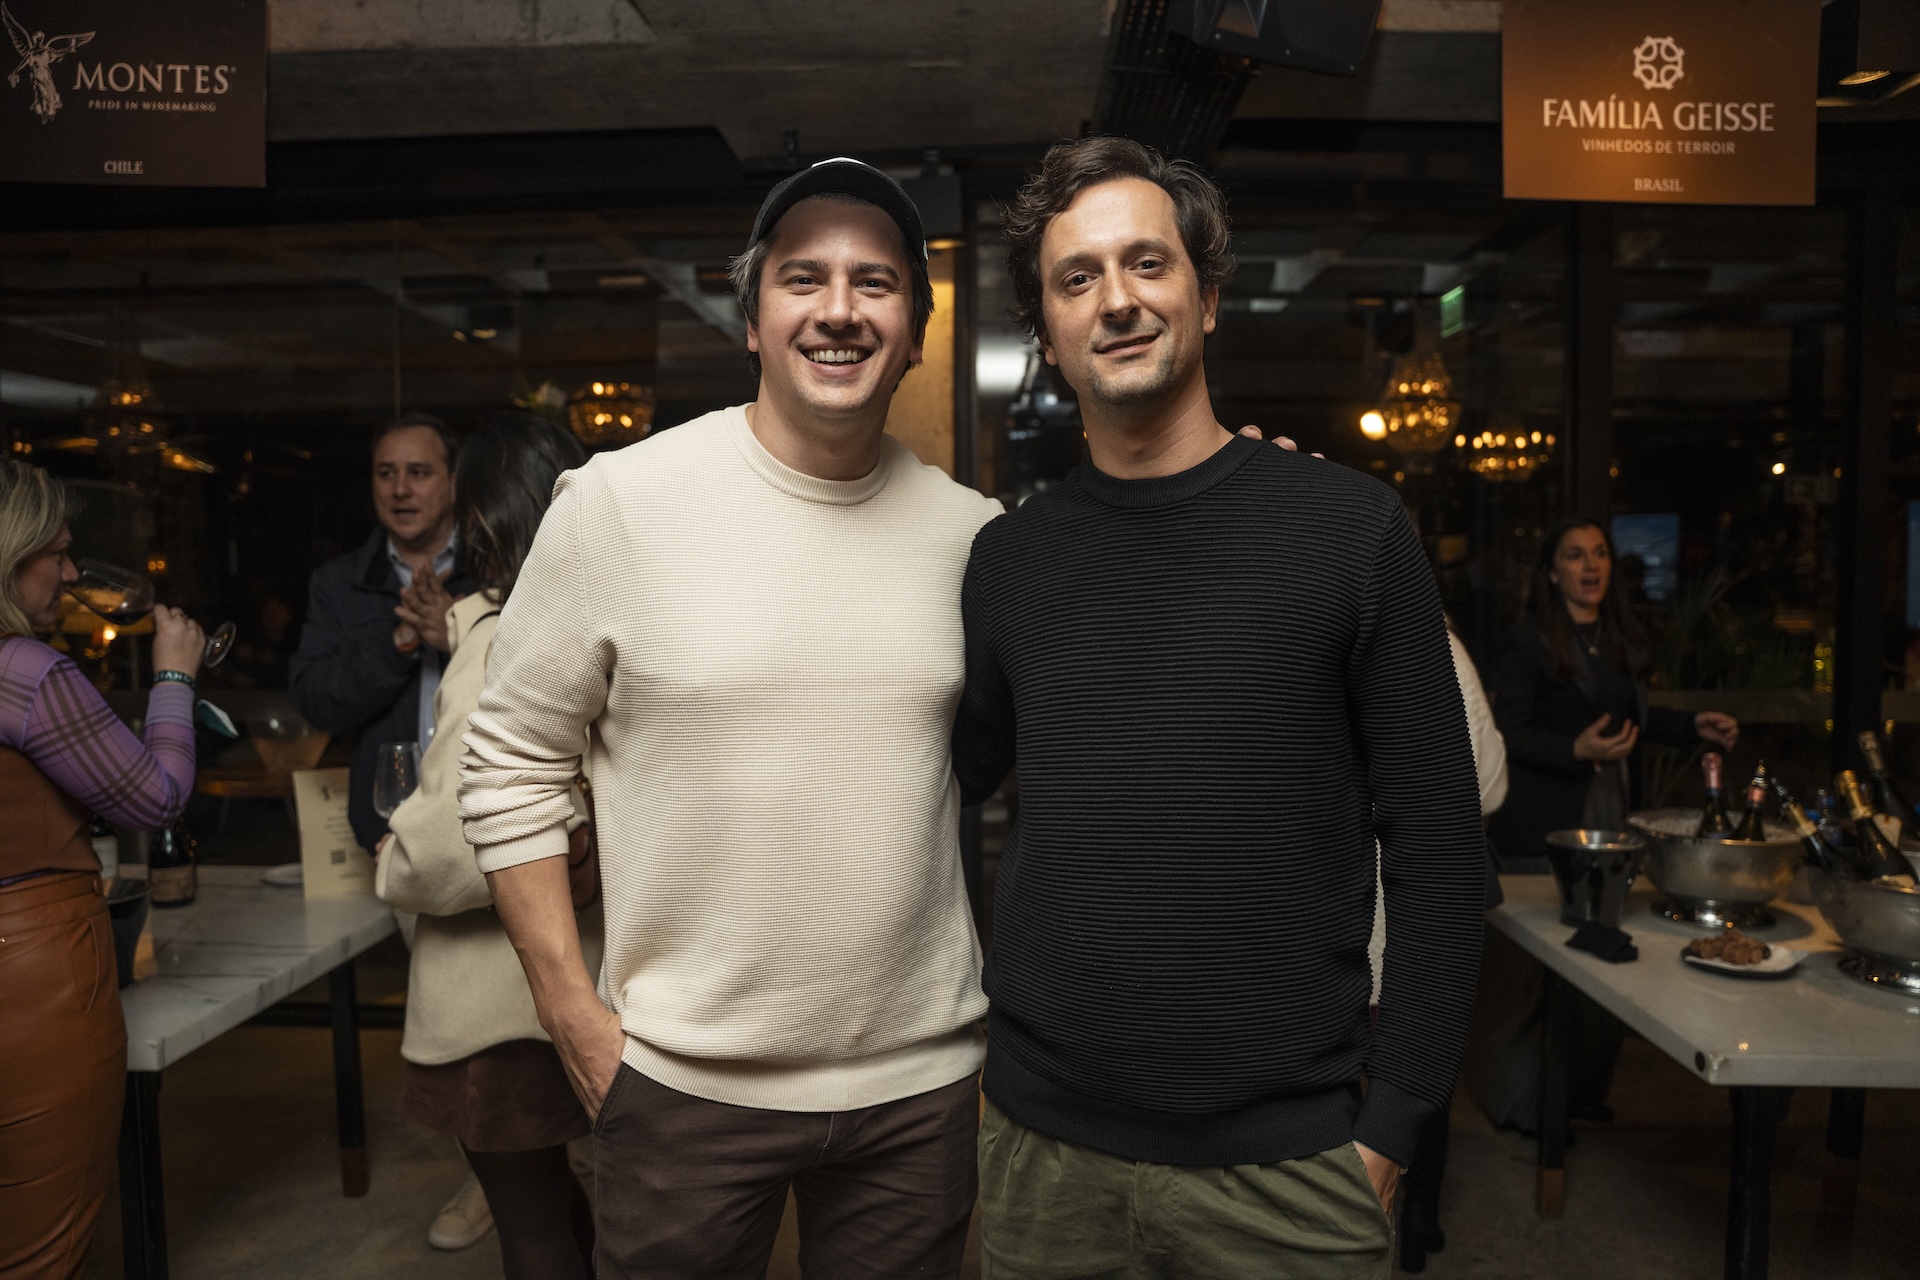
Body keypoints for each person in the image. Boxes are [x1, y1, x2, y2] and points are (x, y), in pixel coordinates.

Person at [949, 136, 1487, 1279]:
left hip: (1293, 1169)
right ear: (1047, 334)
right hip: (1045, 1158)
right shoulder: (1009, 562)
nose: (1117, 298)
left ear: (1206, 297)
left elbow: (1440, 850)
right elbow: (949, 780)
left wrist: (1396, 1120)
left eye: (1147, 262)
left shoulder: (1350, 532)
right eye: (1078, 277)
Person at [458, 159, 1000, 1280]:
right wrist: (570, 1012)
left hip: (918, 1091)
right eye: (804, 279)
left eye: (875, 283)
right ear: (752, 320)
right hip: (684, 1087)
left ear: (913, 331)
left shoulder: (973, 537)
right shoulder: (621, 502)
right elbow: (510, 761)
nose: (840, 309)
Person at [376, 413, 601, 1280]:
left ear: (480, 521)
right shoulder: (601, 623)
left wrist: (392, 862)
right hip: (584, 981)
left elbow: (451, 846)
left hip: (498, 1005)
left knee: (531, 1231)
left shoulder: (499, 645)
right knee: (564, 1211)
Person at [287, 411, 487, 1248]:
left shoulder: (497, 561)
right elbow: (318, 700)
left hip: (498, 820)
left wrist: (461, 630)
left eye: (419, 471)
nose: (401, 489)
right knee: (452, 1019)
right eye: (385, 473)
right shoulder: (343, 584)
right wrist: (402, 642)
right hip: (403, 835)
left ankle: (553, 1161)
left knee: (521, 1011)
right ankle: (493, 1176)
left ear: (453, 481)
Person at [0, 460, 203, 1279]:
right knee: (39, 1250)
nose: (70, 573)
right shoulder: (23, 672)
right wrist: (174, 674)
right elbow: (155, 800)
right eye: (56, 552)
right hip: (30, 981)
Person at [1469, 516, 1739, 1132]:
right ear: (1550, 571)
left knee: (1603, 962)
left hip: (1609, 823)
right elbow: (1502, 736)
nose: (1590, 566)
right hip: (1542, 828)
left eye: (1598, 553)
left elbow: (1631, 716)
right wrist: (1574, 750)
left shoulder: (1618, 638)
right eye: (1574, 555)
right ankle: (1522, 1105)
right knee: (1533, 978)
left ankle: (1581, 1091)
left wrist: (1690, 727)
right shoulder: (1527, 642)